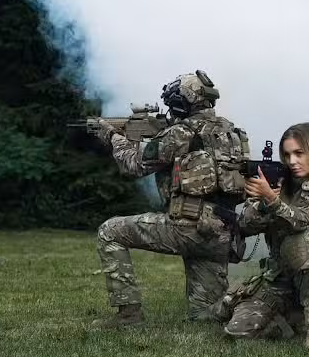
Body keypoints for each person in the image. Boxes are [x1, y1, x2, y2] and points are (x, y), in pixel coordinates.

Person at [91, 70, 250, 328]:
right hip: (223, 233)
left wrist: (112, 136)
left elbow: (133, 165)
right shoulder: (232, 133)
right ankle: (256, 302)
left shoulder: (180, 133)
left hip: (187, 229)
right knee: (205, 315)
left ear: (183, 101)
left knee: (109, 231)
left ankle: (128, 316)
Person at [215, 122, 309, 350]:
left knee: (302, 239)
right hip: (280, 277)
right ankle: (289, 319)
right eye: (287, 155)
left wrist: (272, 201)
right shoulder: (278, 182)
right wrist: (264, 204)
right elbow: (245, 224)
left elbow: (302, 221)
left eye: (299, 153)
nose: (292, 161)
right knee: (238, 329)